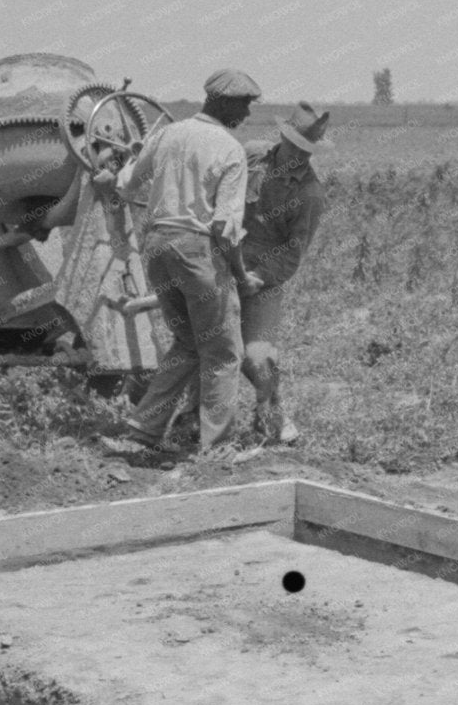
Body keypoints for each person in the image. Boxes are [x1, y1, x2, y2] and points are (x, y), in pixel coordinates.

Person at [97, 69, 261, 454]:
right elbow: (225, 226)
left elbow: (127, 183)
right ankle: (218, 448)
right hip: (196, 250)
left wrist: (113, 169)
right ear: (221, 102)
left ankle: (143, 430)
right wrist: (240, 275)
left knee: (188, 342)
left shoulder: (167, 134)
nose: (247, 114)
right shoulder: (229, 149)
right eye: (244, 105)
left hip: (156, 247)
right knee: (222, 351)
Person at [237, 102, 331, 444]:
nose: (301, 156)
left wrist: (257, 278)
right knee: (204, 347)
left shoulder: (309, 194)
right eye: (296, 146)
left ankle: (273, 417)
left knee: (256, 358)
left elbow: (293, 255)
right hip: (225, 262)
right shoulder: (251, 157)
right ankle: (193, 423)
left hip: (264, 279)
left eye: (308, 151)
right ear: (282, 136)